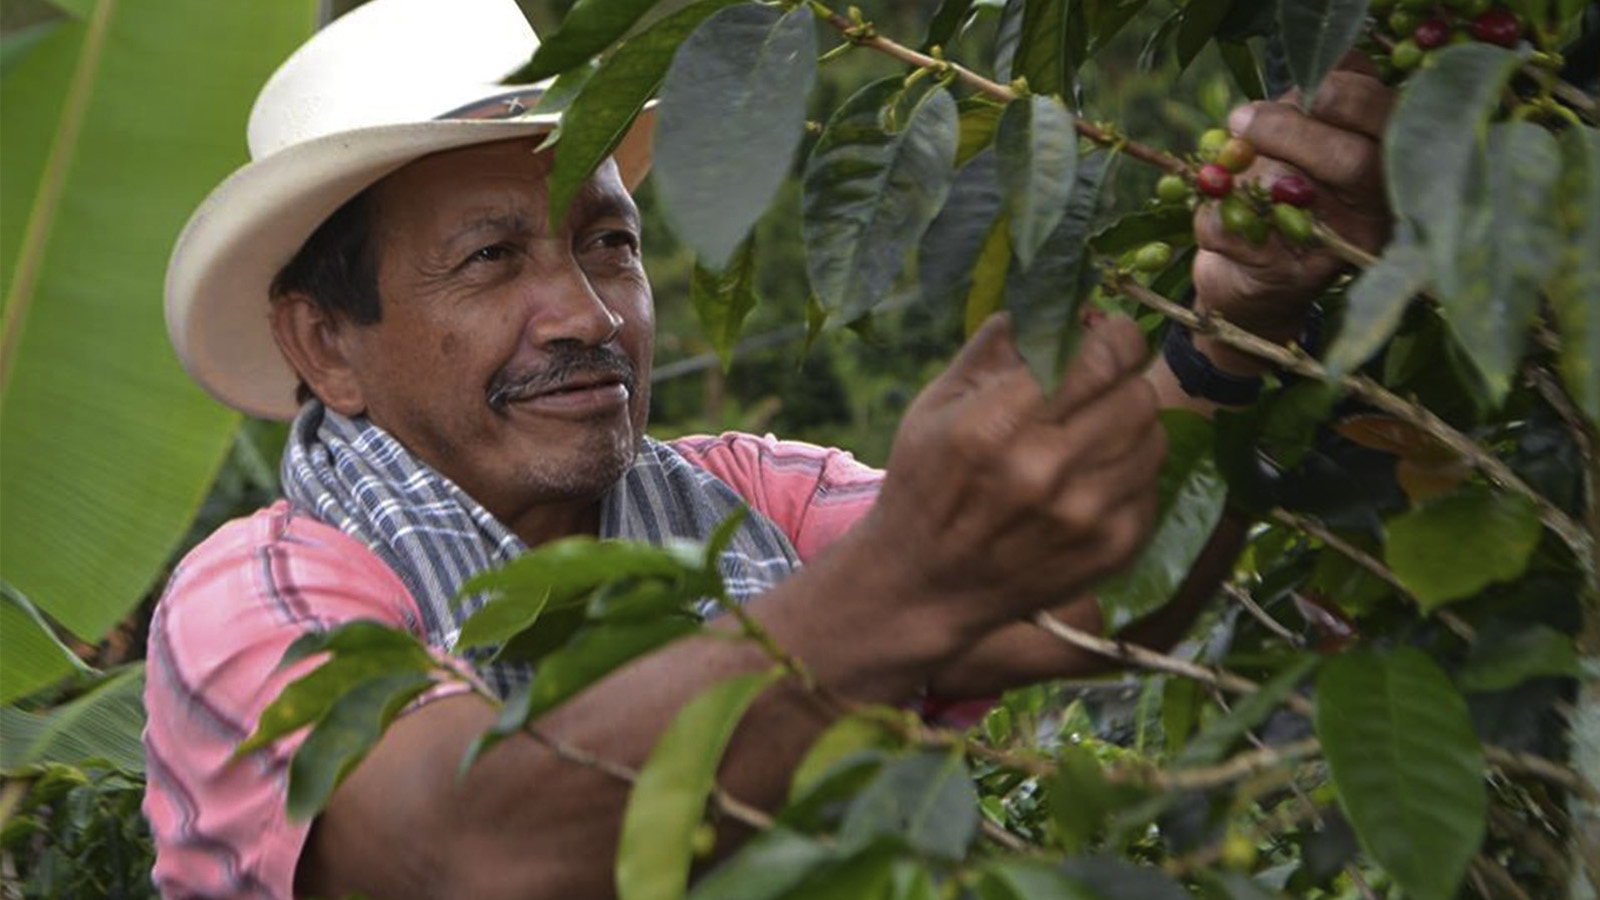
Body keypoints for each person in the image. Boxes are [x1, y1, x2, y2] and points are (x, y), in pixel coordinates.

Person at [144, 0, 1395, 897]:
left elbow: (1068, 601)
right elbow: (466, 852)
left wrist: (1231, 339)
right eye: (488, 259)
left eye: (609, 243)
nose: (586, 314)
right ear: (327, 346)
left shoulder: (744, 495)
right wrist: (903, 577)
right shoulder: (260, 598)